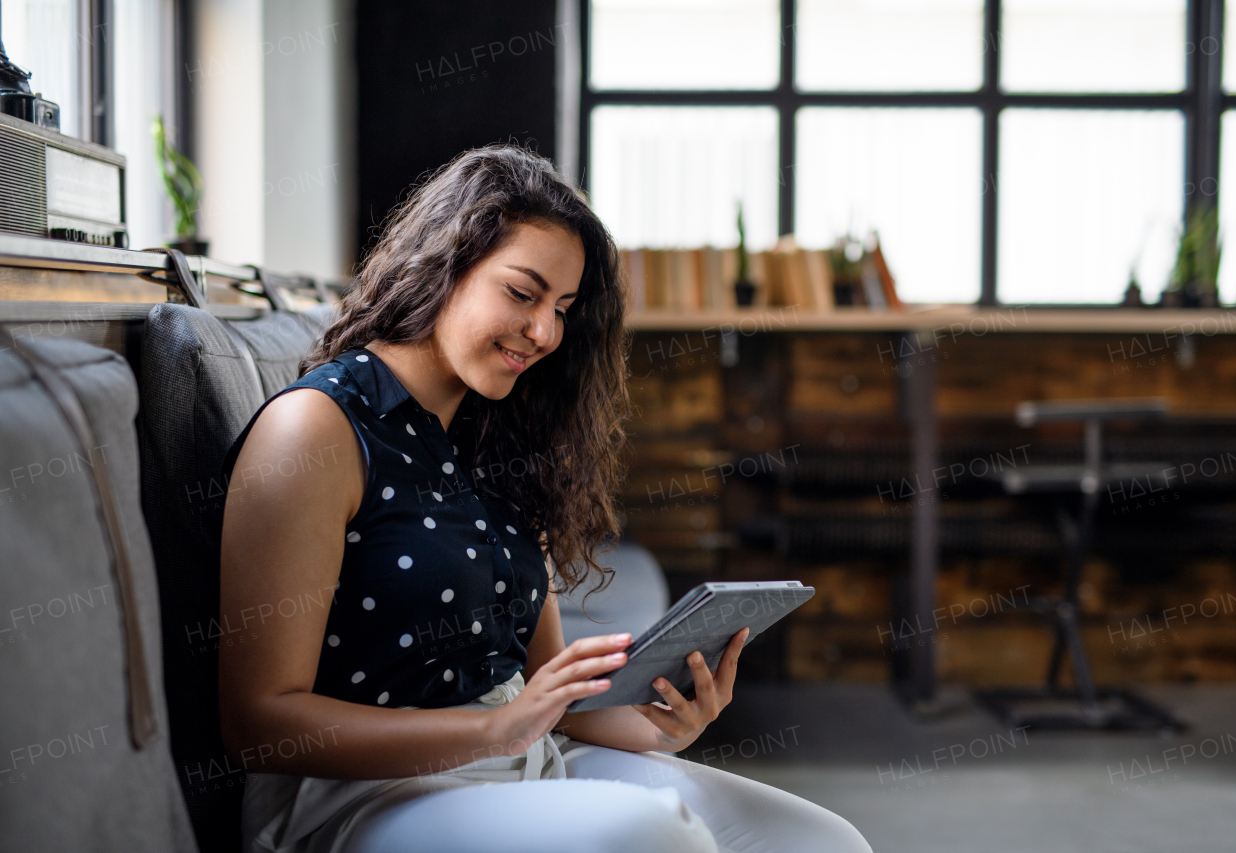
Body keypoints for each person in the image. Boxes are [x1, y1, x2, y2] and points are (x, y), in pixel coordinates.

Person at [217, 144, 872, 853]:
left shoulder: (495, 435)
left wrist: (663, 721)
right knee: (656, 834)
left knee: (819, 840)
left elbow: (542, 691)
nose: (545, 332)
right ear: (441, 265)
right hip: (368, 797)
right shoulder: (316, 429)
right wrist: (494, 729)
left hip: (522, 762)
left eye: (561, 307)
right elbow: (261, 723)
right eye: (523, 293)